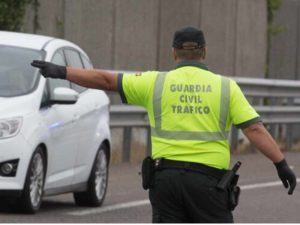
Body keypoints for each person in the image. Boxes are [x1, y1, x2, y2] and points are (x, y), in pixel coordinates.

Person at [31, 26, 296, 223]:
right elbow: (254, 129)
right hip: (209, 185)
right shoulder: (226, 87)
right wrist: (280, 164)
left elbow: (106, 80)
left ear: (173, 53)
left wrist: (62, 72)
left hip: (166, 181)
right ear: (204, 52)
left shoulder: (154, 82)